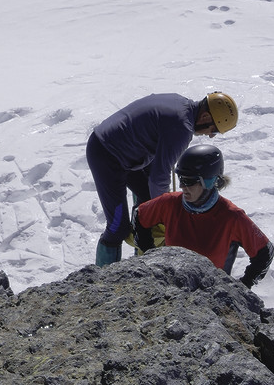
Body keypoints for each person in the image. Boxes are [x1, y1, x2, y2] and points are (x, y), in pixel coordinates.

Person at [84, 90, 237, 266]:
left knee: (149, 205)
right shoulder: (182, 127)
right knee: (118, 228)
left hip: (124, 151)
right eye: (214, 130)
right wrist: (166, 213)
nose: (210, 135)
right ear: (204, 117)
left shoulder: (181, 104)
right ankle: (101, 283)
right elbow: (158, 178)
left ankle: (140, 262)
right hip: (107, 156)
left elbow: (156, 173)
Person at [134, 143, 274, 288]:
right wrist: (151, 255)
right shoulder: (170, 203)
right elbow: (140, 215)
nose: (182, 186)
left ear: (210, 181)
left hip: (211, 294)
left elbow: (264, 252)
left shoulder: (231, 217)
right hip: (172, 288)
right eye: (181, 179)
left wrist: (244, 286)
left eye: (189, 181)